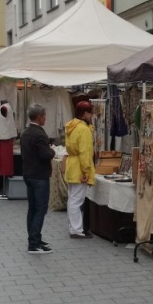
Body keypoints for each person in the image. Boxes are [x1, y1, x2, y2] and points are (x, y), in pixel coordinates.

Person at [21, 104, 54, 254]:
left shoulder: (25, 132)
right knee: (40, 209)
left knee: (32, 209)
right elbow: (44, 154)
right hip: (39, 176)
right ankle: (34, 243)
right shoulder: (40, 134)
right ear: (39, 116)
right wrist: (52, 151)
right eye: (44, 116)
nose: (45, 118)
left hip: (28, 174)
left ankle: (35, 238)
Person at [64, 101, 96, 239]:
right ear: (85, 114)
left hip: (72, 165)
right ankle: (76, 230)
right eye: (90, 113)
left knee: (72, 198)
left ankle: (74, 227)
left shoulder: (72, 126)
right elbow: (85, 153)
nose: (91, 115)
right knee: (77, 200)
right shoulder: (83, 129)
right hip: (79, 168)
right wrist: (86, 172)